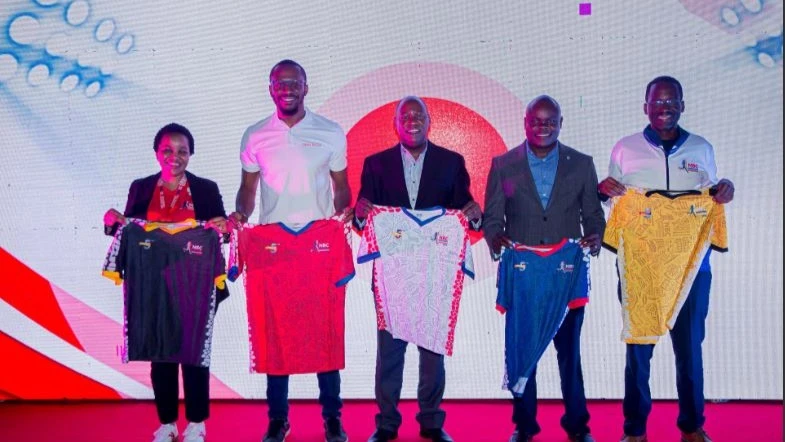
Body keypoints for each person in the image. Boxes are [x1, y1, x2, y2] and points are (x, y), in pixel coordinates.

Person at [598, 76, 735, 442]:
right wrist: (602, 190)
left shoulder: (702, 148)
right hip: (640, 265)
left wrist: (724, 191)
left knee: (690, 348)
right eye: (657, 103)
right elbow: (613, 198)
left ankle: (692, 427)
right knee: (639, 347)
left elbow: (714, 192)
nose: (664, 109)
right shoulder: (625, 149)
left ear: (682, 105)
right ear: (645, 107)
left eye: (671, 102)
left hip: (692, 266)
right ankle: (635, 431)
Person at [229, 59, 351, 442]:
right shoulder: (254, 135)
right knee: (276, 332)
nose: (287, 88)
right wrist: (240, 214)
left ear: (306, 86)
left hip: (318, 244)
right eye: (279, 82)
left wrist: (344, 210)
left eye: (294, 81)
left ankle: (332, 418)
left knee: (325, 331)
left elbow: (341, 185)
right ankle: (277, 419)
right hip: (274, 246)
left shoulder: (330, 132)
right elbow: (248, 190)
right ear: (270, 89)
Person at [354, 96, 482, 442]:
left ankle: (431, 422)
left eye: (418, 115)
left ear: (429, 121)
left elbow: (463, 211)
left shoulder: (451, 162)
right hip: (392, 274)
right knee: (390, 351)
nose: (412, 120)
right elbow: (364, 220)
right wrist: (360, 214)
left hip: (433, 272)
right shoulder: (376, 164)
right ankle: (386, 424)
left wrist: (474, 215)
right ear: (396, 123)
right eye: (405, 116)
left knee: (432, 349)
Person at [483, 96, 604, 442]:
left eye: (550, 122)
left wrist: (596, 236)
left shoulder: (581, 164)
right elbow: (493, 217)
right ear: (525, 122)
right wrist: (495, 239)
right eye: (536, 121)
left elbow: (593, 214)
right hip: (524, 273)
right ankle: (524, 426)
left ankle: (578, 426)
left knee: (570, 353)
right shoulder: (505, 164)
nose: (543, 127)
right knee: (524, 349)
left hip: (565, 274)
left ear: (561, 123)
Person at [103, 123, 228, 442]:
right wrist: (112, 222)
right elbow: (127, 230)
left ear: (191, 154)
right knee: (160, 352)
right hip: (153, 284)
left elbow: (223, 234)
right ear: (157, 153)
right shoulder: (141, 187)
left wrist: (223, 226)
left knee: (195, 352)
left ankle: (197, 423)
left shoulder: (206, 189)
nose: (175, 157)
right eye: (168, 150)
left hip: (197, 284)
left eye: (182, 151)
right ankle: (168, 422)